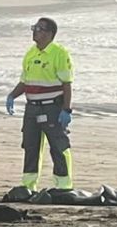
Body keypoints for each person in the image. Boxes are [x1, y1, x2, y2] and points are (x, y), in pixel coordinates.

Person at [6, 16, 75, 192]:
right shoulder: (30, 53)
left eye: (39, 29)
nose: (35, 32)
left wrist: (66, 109)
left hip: (52, 106)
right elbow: (25, 81)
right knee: (30, 146)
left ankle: (63, 184)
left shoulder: (59, 53)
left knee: (58, 146)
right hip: (32, 107)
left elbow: (67, 84)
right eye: (34, 28)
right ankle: (29, 185)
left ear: (50, 34)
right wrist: (12, 95)